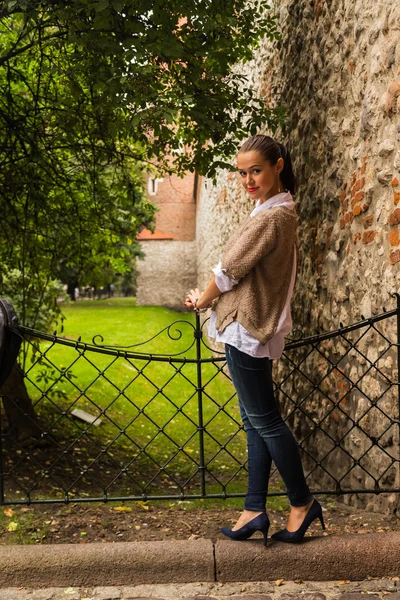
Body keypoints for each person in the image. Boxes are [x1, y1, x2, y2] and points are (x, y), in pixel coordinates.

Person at [184, 135, 325, 546]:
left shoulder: (270, 218)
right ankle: (254, 509)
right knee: (255, 423)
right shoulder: (275, 211)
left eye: (256, 170)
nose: (247, 179)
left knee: (265, 421)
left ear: (278, 166)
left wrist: (201, 300)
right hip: (248, 327)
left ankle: (301, 503)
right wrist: (209, 296)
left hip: (247, 329)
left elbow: (229, 270)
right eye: (242, 172)